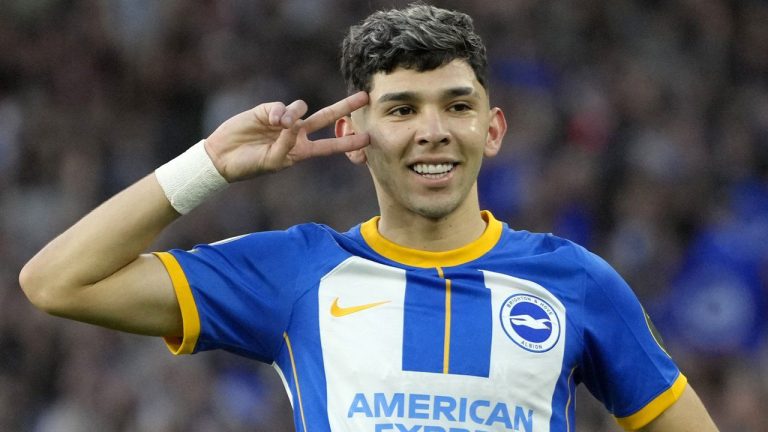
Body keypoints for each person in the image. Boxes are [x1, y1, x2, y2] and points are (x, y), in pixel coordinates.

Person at [19, 3, 719, 431]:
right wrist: (208, 164)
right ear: (356, 137)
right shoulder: (297, 273)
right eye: (402, 109)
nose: (433, 131)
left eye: (457, 105)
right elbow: (57, 282)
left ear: (494, 129)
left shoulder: (574, 282)